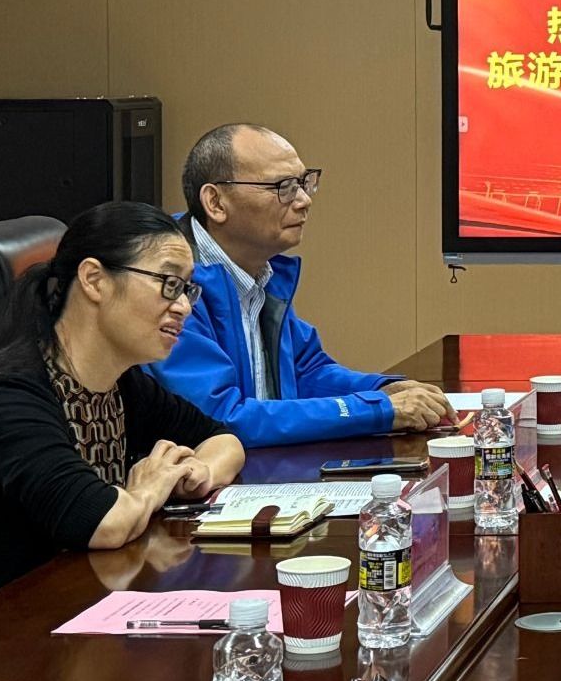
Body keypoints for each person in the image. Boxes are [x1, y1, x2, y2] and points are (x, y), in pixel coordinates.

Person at [0, 202, 245, 620]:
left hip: (54, 611)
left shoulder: (121, 384)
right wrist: (150, 488)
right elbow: (100, 522)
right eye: (169, 284)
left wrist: (197, 473)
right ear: (94, 280)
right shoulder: (6, 396)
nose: (184, 307)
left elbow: (224, 440)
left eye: (187, 289)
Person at [149, 124, 452, 446]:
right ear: (216, 203)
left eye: (304, 183)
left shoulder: (262, 270)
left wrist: (382, 390)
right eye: (284, 187)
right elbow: (220, 418)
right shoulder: (172, 287)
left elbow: (307, 371)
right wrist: (378, 409)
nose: (304, 200)